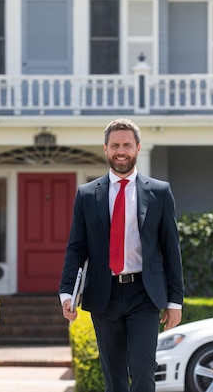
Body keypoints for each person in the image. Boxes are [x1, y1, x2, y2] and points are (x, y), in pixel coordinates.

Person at [59, 118, 184, 392]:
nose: (121, 150)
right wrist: (67, 293)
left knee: (142, 371)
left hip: (144, 293)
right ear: (105, 148)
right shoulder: (87, 194)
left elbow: (170, 248)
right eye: (115, 145)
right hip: (105, 294)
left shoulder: (159, 192)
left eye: (127, 144)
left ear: (138, 148)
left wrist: (175, 300)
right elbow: (77, 247)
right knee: (114, 379)